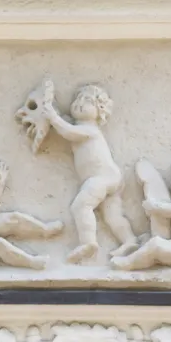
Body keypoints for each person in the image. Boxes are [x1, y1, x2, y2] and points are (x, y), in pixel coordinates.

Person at [42, 80, 139, 264]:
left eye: (87, 101)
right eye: (78, 98)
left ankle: (88, 243)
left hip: (100, 177)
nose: (80, 103)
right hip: (111, 177)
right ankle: (129, 240)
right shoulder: (79, 126)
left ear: (100, 112)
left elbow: (67, 131)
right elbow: (67, 126)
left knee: (81, 206)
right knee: (112, 215)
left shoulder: (90, 129)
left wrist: (53, 117)